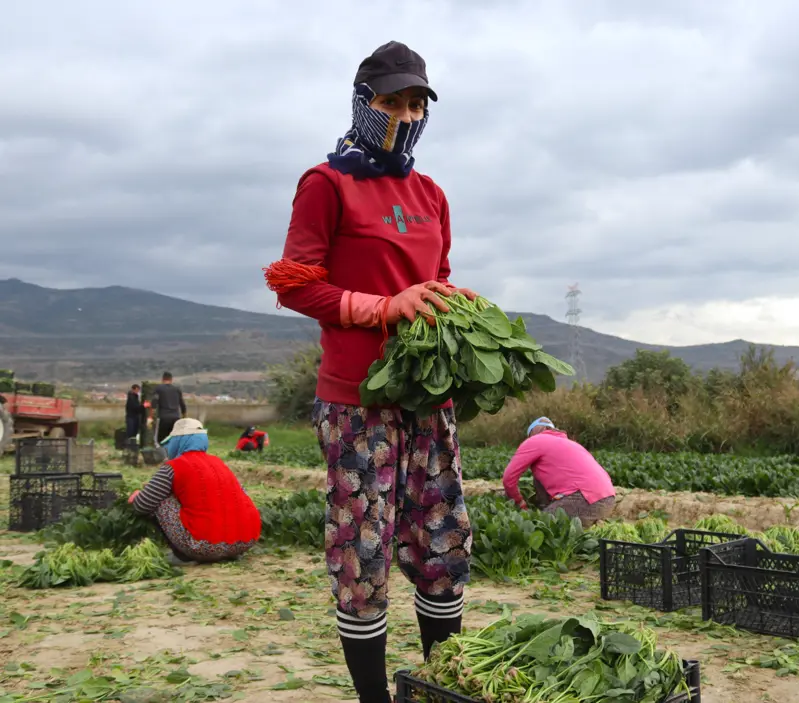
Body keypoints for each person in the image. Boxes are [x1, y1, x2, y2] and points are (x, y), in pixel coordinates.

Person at [262, 41, 474, 703]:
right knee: (364, 549)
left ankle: (442, 685)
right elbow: (294, 284)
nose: (405, 115)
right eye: (391, 101)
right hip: (356, 402)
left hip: (426, 398)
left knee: (441, 542)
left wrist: (451, 304)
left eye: (416, 104)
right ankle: (374, 699)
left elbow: (435, 280)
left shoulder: (430, 192)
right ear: (363, 103)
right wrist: (382, 307)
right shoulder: (326, 184)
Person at [127, 418, 261, 565]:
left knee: (160, 500)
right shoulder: (219, 463)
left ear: (178, 441)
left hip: (204, 546)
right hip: (245, 541)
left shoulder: (173, 466)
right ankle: (229, 551)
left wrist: (137, 496)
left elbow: (142, 505)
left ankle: (183, 556)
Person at [502, 417, 617, 527]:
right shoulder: (572, 444)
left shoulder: (535, 440)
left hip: (583, 500)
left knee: (537, 527)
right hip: (608, 501)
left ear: (533, 432)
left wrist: (520, 502)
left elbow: (508, 478)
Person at [151, 372, 186, 445]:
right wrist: (184, 415)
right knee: (173, 438)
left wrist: (152, 415)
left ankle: (164, 455)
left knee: (161, 440)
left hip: (164, 417)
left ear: (162, 379)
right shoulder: (177, 389)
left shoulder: (158, 389)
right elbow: (182, 403)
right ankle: (172, 455)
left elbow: (154, 401)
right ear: (171, 379)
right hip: (176, 417)